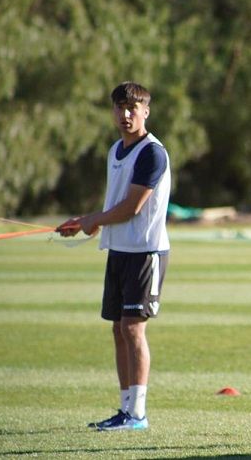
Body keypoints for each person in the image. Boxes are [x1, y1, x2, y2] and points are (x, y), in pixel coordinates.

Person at [56, 81, 171, 431]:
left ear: (145, 112)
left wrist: (93, 221)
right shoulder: (115, 150)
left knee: (133, 329)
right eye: (119, 108)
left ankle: (138, 413)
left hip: (145, 252)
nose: (124, 115)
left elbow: (133, 207)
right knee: (119, 331)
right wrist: (84, 222)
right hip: (119, 251)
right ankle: (125, 410)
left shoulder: (152, 152)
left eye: (132, 109)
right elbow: (115, 204)